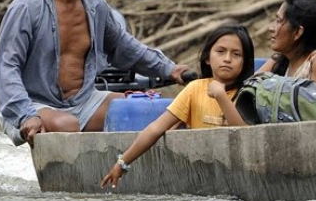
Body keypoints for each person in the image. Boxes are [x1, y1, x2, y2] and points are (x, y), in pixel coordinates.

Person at [0, 0, 191, 146]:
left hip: (83, 100)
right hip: (33, 103)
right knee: (66, 125)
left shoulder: (96, 6)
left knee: (163, 113)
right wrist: (25, 114)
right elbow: (6, 67)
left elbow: (123, 46)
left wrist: (169, 68)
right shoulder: (26, 7)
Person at [100, 24, 254, 188]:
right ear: (208, 58)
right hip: (203, 175)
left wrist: (221, 96)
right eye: (220, 51)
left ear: (245, 62)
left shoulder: (249, 92)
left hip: (239, 176)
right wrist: (122, 163)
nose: (227, 59)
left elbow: (245, 136)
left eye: (236, 54)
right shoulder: (195, 89)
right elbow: (155, 129)